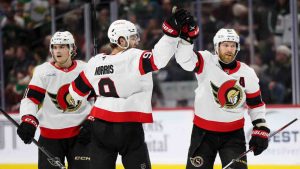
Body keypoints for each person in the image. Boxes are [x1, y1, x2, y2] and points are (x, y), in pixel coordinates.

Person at [68, 9, 196, 169]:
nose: (137, 40)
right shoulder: (133, 56)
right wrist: (171, 33)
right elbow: (159, 58)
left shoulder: (95, 62)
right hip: (128, 128)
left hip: (99, 127)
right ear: (121, 41)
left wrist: (91, 110)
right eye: (133, 37)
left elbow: (74, 93)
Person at [175, 26, 270, 168]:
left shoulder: (247, 73)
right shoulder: (205, 62)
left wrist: (260, 127)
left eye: (233, 46)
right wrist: (187, 40)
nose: (229, 49)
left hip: (233, 136)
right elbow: (184, 60)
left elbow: (255, 104)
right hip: (203, 134)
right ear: (216, 46)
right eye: (225, 45)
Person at [16, 31, 92, 169]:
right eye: (55, 47)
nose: (58, 51)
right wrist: (28, 120)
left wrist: (93, 121)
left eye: (62, 47)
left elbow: (97, 99)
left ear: (72, 49)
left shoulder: (85, 69)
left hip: (80, 135)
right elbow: (31, 99)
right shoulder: (42, 71)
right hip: (50, 138)